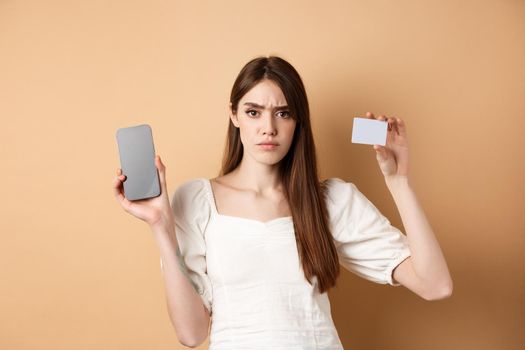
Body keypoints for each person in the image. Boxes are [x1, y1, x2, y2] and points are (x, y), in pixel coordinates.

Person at [113, 55, 453, 349]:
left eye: (284, 113)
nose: (269, 128)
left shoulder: (331, 201)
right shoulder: (197, 201)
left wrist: (399, 182)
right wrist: (161, 226)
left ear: (298, 121)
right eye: (254, 112)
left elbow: (435, 284)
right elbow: (191, 333)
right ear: (234, 116)